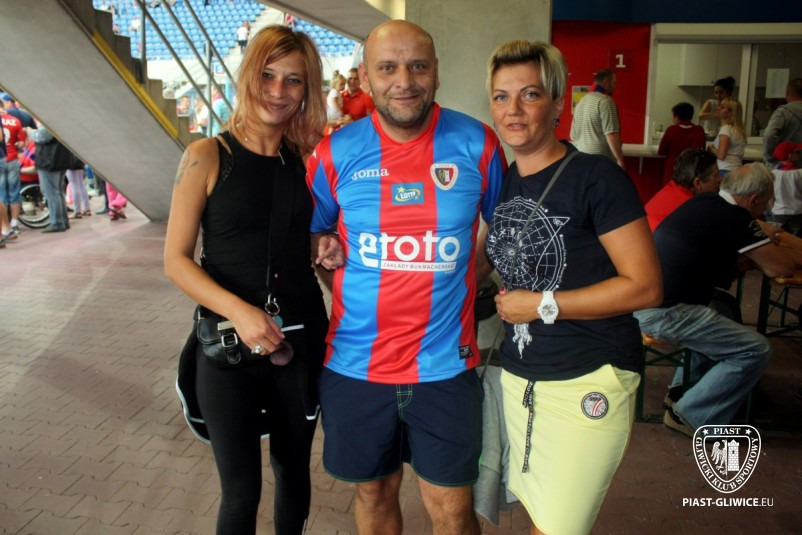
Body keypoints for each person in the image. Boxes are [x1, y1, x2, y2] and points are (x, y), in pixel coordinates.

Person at [306, 20, 506, 535]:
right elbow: (315, 236)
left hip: (446, 368)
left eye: (417, 66)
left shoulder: (478, 144)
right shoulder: (335, 153)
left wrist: (467, 272)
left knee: (453, 511)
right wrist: (332, 267)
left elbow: (504, 229)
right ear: (365, 79)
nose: (404, 81)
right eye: (387, 68)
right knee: (373, 494)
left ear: (436, 72)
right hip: (356, 365)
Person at [483, 40, 662, 535]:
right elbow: (483, 262)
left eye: (530, 94)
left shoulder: (596, 179)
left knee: (558, 526)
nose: (513, 110)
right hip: (521, 377)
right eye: (501, 97)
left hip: (588, 378)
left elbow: (646, 287)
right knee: (538, 516)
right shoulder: (504, 180)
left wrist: (543, 305)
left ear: (559, 103)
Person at [164, 25, 328, 534]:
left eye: (294, 80)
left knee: (294, 473)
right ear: (248, 77)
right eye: (268, 75)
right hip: (228, 344)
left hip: (299, 339)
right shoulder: (207, 155)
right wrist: (240, 311)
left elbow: (308, 244)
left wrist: (325, 248)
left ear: (307, 90)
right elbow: (176, 260)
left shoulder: (309, 162)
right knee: (240, 492)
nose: (278, 91)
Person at [634, 162, 796, 437]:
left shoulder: (706, 202)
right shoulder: (735, 216)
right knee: (756, 349)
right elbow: (780, 267)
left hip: (646, 301)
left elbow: (729, 260)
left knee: (724, 306)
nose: (765, 209)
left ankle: (683, 391)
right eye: (766, 203)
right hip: (663, 311)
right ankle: (692, 414)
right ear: (754, 200)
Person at [646, 148, 721, 231]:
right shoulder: (694, 209)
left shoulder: (670, 189)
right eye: (716, 176)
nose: (720, 179)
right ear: (698, 183)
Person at [569, 68, 625, 168]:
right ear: (606, 82)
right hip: (600, 163)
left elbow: (573, 136)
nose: (615, 87)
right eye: (614, 83)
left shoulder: (580, 103)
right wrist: (620, 161)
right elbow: (611, 135)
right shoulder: (606, 101)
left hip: (581, 162)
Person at [26, 126, 70, 233]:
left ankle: (57, 223)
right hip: (59, 160)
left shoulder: (49, 122)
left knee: (52, 193)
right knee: (58, 192)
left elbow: (42, 136)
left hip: (49, 161)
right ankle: (63, 220)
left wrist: (31, 132)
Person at [657, 102, 706, 186]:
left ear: (677, 117)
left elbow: (661, 151)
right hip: (692, 170)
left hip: (673, 169)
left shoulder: (671, 130)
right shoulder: (699, 130)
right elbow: (702, 150)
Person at [763, 78, 802, 165]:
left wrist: (771, 158)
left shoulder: (783, 112)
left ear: (787, 92)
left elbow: (769, 135)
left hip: (786, 164)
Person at [767, 141, 802, 236]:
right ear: (790, 155)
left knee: (780, 237)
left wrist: (773, 208)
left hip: (779, 211)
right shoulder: (799, 173)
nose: (800, 154)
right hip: (798, 211)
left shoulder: (773, 173)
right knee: (797, 239)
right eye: (797, 152)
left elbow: (770, 195)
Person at [1, 109, 26, 239]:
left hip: (1, 158)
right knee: (14, 192)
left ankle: (4, 226)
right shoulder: (15, 121)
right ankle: (14, 223)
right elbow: (21, 143)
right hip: (12, 159)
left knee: (1, 195)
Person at [709, 97, 746, 176]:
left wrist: (712, 149)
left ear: (731, 112)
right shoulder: (739, 130)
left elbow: (721, 155)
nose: (718, 108)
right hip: (737, 170)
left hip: (724, 169)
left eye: (722, 107)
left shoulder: (726, 129)